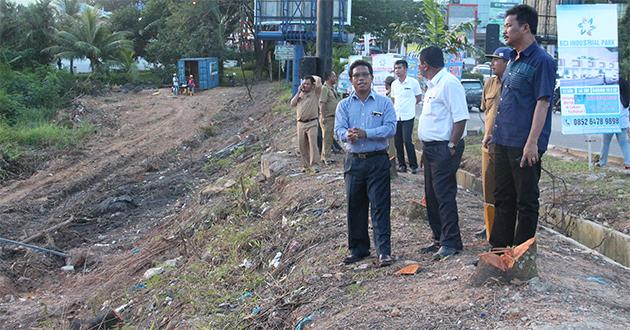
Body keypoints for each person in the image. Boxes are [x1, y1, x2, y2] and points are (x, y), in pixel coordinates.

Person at [490, 5, 556, 249]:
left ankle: (520, 255)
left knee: (526, 201)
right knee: (502, 198)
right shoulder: (513, 59)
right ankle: (499, 251)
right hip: (503, 140)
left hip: (523, 144)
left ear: (525, 28)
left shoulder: (542, 61)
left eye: (509, 25)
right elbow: (507, 101)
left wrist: (532, 143)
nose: (505, 30)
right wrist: (492, 135)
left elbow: (543, 103)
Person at [334, 60, 396, 267]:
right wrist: (347, 135)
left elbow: (390, 128)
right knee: (355, 206)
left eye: (364, 75)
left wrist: (366, 133)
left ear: (371, 78)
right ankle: (358, 249)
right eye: (356, 76)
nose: (361, 79)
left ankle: (384, 252)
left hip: (377, 159)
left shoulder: (383, 103)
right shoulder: (344, 105)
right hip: (354, 162)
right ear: (351, 80)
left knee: (380, 206)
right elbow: (338, 130)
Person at [417, 46, 469, 260]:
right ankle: (438, 237)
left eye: (419, 63)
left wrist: (451, 145)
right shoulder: (432, 86)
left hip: (444, 148)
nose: (418, 66)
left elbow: (461, 117)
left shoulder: (449, 83)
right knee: (431, 195)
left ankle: (451, 241)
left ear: (426, 65)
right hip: (431, 148)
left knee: (444, 195)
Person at [477, 46, 511, 241]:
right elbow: (485, 110)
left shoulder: (512, 84)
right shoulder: (489, 84)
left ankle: (502, 225)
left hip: (505, 144)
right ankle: (488, 224)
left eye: (497, 60)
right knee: (488, 186)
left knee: (503, 187)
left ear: (507, 63)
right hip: (488, 143)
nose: (493, 63)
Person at [391, 59, 422, 174]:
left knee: (407, 140)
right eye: (395, 68)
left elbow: (418, 98)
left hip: (408, 116)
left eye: (399, 68)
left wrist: (409, 105)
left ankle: (414, 165)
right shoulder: (394, 84)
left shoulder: (413, 82)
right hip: (397, 116)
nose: (397, 71)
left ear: (405, 69)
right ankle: (402, 165)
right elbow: (393, 99)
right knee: (397, 141)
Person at [291, 75, 322, 173]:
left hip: (312, 122)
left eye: (307, 84)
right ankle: (305, 165)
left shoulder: (315, 92)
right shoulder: (300, 94)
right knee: (302, 145)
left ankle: (314, 165)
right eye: (304, 83)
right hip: (300, 124)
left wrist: (310, 76)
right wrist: (298, 91)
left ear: (312, 85)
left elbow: (319, 80)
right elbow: (292, 103)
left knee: (312, 144)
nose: (305, 85)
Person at [597, 77, 630, 169]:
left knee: (605, 143)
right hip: (622, 123)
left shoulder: (611, 96)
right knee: (624, 143)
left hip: (610, 122)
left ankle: (602, 162)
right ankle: (628, 163)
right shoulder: (626, 99)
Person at [319, 71, 341, 165]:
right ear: (329, 78)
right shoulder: (324, 89)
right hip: (327, 117)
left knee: (329, 138)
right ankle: (326, 158)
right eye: (334, 76)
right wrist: (323, 116)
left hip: (333, 117)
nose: (335, 78)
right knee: (327, 138)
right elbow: (322, 103)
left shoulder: (332, 89)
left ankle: (326, 156)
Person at [384, 76, 398, 178]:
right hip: (391, 123)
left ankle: (392, 171)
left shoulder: (391, 96)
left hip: (390, 123)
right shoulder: (389, 95)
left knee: (391, 147)